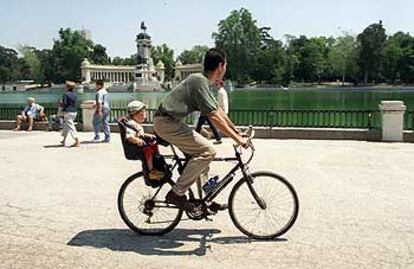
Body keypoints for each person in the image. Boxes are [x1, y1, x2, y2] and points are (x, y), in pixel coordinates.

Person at [153, 48, 248, 212]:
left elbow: (217, 111)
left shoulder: (202, 82)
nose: (225, 69)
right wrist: (237, 140)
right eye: (225, 65)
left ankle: (205, 200)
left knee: (201, 160)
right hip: (166, 122)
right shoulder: (199, 81)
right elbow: (213, 116)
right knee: (208, 151)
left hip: (170, 121)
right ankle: (176, 193)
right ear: (220, 66)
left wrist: (237, 132)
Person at [124, 100, 165, 180]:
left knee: (153, 145)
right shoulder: (131, 124)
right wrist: (137, 140)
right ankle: (151, 171)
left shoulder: (136, 124)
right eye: (141, 113)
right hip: (136, 149)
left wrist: (147, 135)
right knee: (148, 151)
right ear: (135, 114)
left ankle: (157, 163)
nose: (144, 115)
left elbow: (140, 134)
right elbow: (129, 136)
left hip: (141, 146)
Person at [60, 81, 80, 147]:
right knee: (66, 126)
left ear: (67, 87)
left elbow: (64, 104)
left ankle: (77, 141)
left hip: (68, 112)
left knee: (71, 126)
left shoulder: (65, 94)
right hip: (74, 111)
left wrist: (60, 103)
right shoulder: (75, 95)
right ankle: (63, 140)